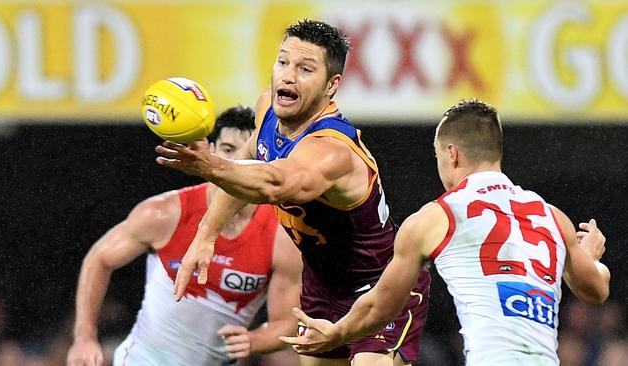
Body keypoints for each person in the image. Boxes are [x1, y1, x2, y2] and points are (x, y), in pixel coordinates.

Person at [155, 19, 431, 366]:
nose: (288, 75)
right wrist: (207, 233)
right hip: (321, 286)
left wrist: (210, 166)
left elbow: (274, 183)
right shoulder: (267, 109)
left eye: (305, 69)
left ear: (332, 85)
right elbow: (248, 161)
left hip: (382, 285)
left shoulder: (332, 150)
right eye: (283, 61)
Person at [280, 99, 612, 365]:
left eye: (438, 157)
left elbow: (381, 306)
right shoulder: (551, 216)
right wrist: (590, 257)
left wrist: (336, 334)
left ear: (451, 154)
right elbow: (596, 289)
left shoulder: (437, 217)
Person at [66, 105, 303, 366]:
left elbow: (288, 321)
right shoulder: (164, 214)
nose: (237, 164)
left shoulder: (281, 237)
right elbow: (99, 258)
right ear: (210, 152)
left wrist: (255, 340)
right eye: (227, 150)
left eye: (249, 155)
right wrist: (85, 337)